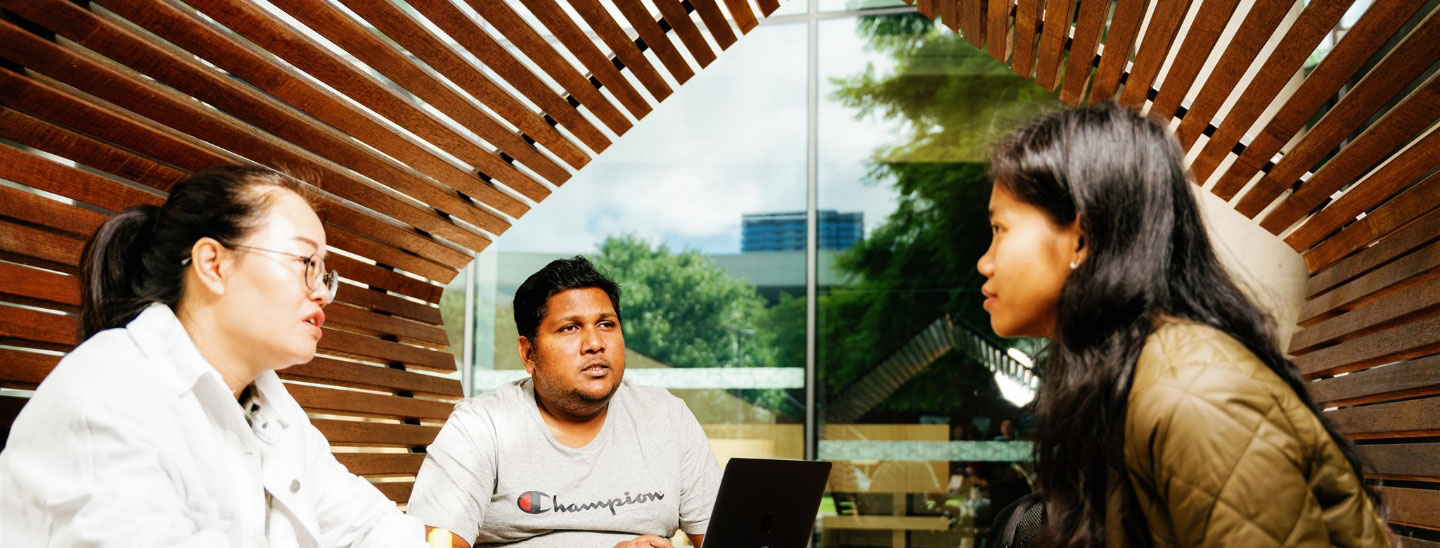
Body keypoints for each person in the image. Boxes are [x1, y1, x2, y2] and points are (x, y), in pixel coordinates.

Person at [976, 103, 1391, 547]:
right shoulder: (1126, 372)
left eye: (1000, 229)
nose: (985, 262)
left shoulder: (1191, 389)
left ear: (1082, 236)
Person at [0, 166, 435, 546]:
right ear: (213, 264)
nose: (321, 290)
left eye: (324, 273)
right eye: (305, 262)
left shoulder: (270, 410)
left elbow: (369, 527)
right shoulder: (107, 398)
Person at [408, 257, 721, 548]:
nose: (595, 343)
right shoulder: (482, 425)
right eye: (570, 328)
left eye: (606, 324)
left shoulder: (666, 417)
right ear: (529, 354)